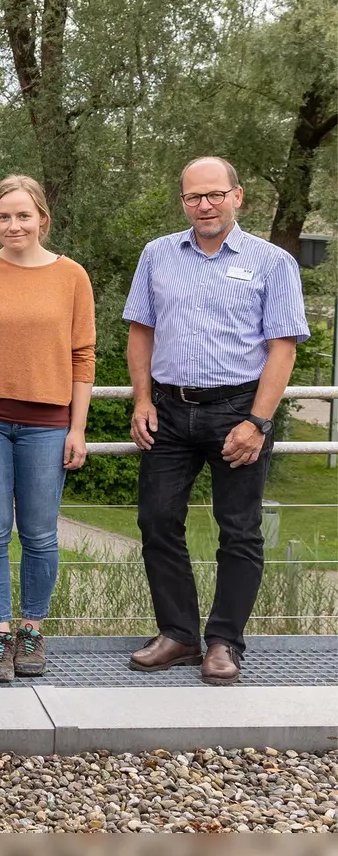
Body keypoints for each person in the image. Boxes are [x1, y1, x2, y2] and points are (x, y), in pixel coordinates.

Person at [123, 156, 309, 685]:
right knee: (157, 521)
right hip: (169, 409)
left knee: (240, 531)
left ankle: (224, 642)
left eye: (213, 195)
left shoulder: (273, 262)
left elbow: (283, 349)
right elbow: (140, 332)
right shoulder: (158, 255)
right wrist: (142, 400)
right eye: (192, 197)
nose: (203, 205)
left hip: (238, 411)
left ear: (237, 196)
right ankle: (178, 635)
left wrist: (258, 422)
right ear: (183, 201)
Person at [0, 175, 95, 682]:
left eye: (24, 215)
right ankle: (0, 632)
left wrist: (78, 428)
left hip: (48, 424)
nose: (14, 225)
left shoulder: (72, 277)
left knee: (41, 533)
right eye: (4, 216)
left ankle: (32, 629)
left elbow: (82, 356)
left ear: (42, 220)